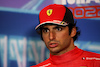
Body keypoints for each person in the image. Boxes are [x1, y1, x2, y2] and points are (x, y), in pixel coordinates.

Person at [31, 4, 100, 67]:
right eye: (46, 30)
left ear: (73, 31)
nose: (51, 37)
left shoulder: (97, 61)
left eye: (58, 29)